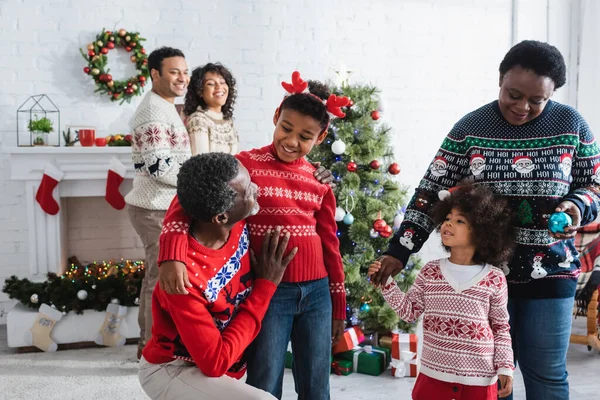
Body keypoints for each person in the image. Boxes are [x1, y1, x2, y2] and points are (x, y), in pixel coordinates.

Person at [370, 40, 600, 400]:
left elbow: (594, 184)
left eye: (536, 100)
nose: (523, 106)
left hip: (551, 272)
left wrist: (576, 206)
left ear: (552, 93)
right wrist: (399, 251)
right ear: (499, 79)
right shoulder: (470, 128)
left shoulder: (572, 125)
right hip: (485, 275)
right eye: (513, 94)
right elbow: (430, 191)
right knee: (492, 377)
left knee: (547, 374)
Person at [158, 71, 348, 399]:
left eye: (305, 136)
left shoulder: (319, 180)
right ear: (276, 117)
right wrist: (172, 253)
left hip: (317, 294)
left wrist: (338, 302)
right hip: (270, 292)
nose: (291, 141)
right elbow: (186, 197)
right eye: (286, 128)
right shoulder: (245, 167)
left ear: (320, 137)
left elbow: (330, 242)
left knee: (317, 384)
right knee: (264, 379)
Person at [139, 152, 297, 399]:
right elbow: (215, 362)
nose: (255, 188)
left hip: (214, 366)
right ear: (221, 216)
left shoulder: (233, 217)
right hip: (174, 368)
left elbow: (184, 197)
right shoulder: (183, 280)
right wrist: (265, 287)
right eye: (247, 190)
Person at [369, 185, 515, 399]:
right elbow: (409, 312)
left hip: (479, 380)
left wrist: (505, 368)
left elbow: (501, 327)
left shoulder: (494, 277)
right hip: (433, 375)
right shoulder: (430, 271)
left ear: (482, 230)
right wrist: (387, 282)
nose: (448, 223)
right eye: (447, 218)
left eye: (460, 221)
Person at [124, 46, 192, 360]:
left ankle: (154, 342)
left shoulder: (166, 107)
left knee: (158, 275)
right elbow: (157, 166)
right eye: (174, 71)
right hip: (153, 206)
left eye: (185, 71)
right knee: (158, 277)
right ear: (155, 74)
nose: (182, 78)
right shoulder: (152, 110)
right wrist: (196, 183)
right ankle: (151, 348)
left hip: (164, 205)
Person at [183, 63, 239, 155]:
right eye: (211, 84)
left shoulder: (228, 121)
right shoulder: (198, 120)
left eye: (222, 82)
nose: (219, 87)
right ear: (200, 91)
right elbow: (200, 163)